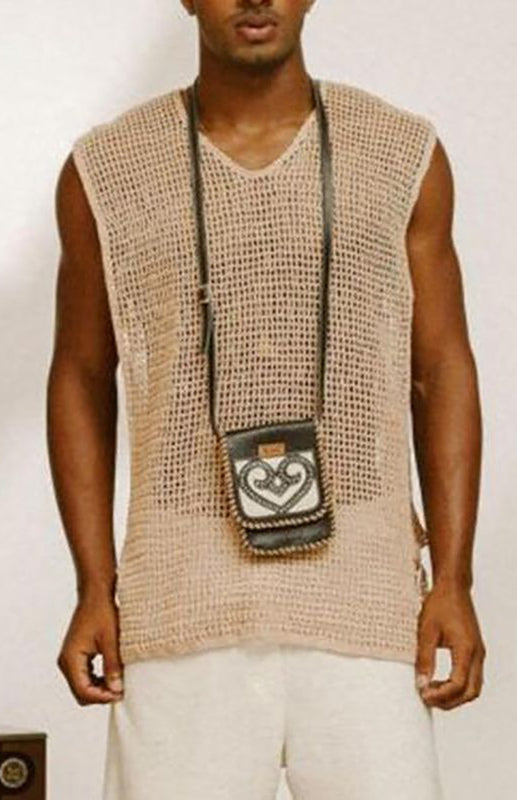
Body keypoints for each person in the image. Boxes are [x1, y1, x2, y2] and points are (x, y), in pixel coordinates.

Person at [47, 1, 486, 798]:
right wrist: (92, 586)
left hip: (364, 600)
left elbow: (441, 368)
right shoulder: (105, 170)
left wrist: (452, 580)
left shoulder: (400, 152)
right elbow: (80, 374)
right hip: (180, 601)